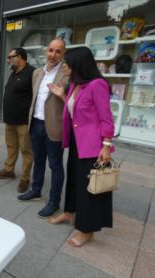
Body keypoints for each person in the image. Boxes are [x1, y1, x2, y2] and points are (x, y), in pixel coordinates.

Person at [47, 46, 115, 247]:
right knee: (74, 181)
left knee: (89, 189)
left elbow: (106, 118)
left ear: (79, 65)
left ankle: (87, 230)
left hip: (93, 145)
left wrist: (106, 146)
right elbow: (74, 108)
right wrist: (61, 95)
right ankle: (69, 213)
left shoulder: (97, 85)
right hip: (77, 142)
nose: (64, 66)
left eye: (67, 63)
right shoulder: (76, 84)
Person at [18, 38, 70, 218]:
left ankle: (54, 202)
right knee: (38, 160)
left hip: (54, 126)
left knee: (55, 165)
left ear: (63, 54)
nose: (53, 55)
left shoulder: (68, 74)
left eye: (58, 51)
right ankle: (36, 190)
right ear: (46, 51)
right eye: (51, 50)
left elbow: (72, 103)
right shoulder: (37, 73)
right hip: (36, 123)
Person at [0, 48, 35, 192]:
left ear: (21, 57)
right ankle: (9, 170)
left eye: (11, 57)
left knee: (26, 150)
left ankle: (25, 178)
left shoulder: (32, 73)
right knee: (11, 146)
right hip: (10, 120)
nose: (8, 60)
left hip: (23, 121)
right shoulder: (13, 73)